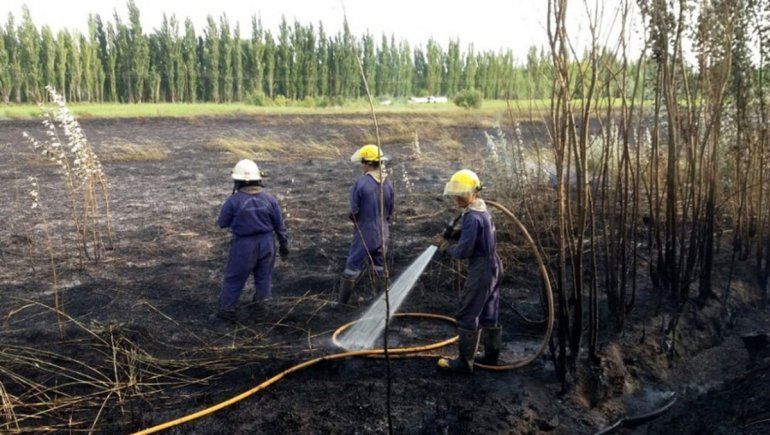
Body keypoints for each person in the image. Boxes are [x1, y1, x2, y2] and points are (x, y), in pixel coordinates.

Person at [433, 169, 503, 373]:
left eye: (461, 193)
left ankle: (464, 363)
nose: (457, 197)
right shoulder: (482, 211)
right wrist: (454, 235)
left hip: (481, 269)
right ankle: (491, 357)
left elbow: (464, 251)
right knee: (489, 312)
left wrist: (445, 247)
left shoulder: (472, 217)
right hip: (494, 265)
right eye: (456, 193)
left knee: (467, 313)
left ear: (473, 193)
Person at [213, 159, 289, 322]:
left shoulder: (233, 201)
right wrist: (284, 244)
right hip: (267, 244)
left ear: (237, 181)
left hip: (244, 246)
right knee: (264, 277)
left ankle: (227, 310)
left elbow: (222, 223)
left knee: (234, 278)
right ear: (258, 179)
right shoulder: (270, 199)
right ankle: (262, 309)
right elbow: (279, 225)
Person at [338, 144, 394, 304]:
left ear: (369, 163)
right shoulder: (388, 184)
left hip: (365, 232)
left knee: (352, 265)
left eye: (363, 162)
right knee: (380, 266)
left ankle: (342, 304)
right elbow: (390, 211)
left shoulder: (361, 184)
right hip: (384, 231)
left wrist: (357, 223)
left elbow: (353, 212)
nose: (362, 165)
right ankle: (382, 302)